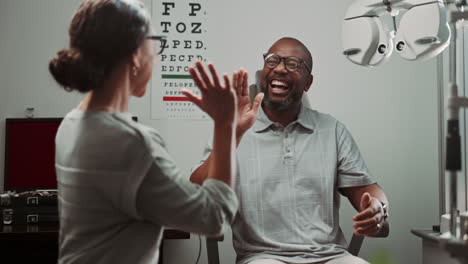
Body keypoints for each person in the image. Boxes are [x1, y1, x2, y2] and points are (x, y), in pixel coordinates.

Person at [48, 0, 245, 263]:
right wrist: (224, 123)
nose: (157, 53)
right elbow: (214, 218)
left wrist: (234, 131)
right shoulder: (131, 142)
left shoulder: (71, 124)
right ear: (134, 54)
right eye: (155, 41)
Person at [190, 37, 389, 264]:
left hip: (330, 256)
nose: (281, 68)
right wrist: (230, 132)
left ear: (308, 82)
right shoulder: (235, 128)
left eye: (294, 64)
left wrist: (377, 207)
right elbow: (196, 192)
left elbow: (367, 190)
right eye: (272, 60)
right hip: (263, 257)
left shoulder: (332, 130)